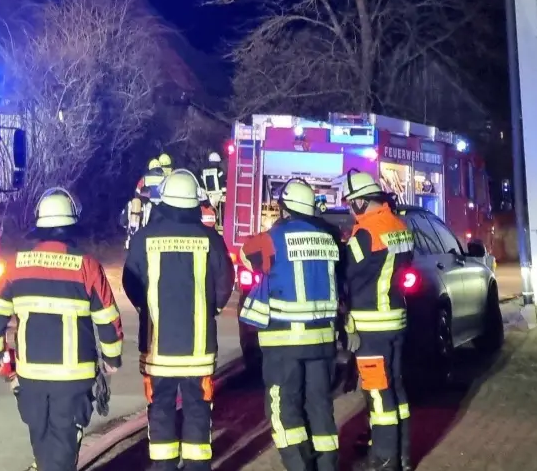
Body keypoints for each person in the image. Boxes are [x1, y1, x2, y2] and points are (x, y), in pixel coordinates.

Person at [0, 188, 123, 471]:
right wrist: (112, 358)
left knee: (42, 443)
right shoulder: (87, 266)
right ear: (71, 226)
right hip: (72, 379)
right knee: (62, 450)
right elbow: (107, 318)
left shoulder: (15, 265)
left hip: (31, 376)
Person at [123, 170, 234, 471]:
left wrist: (146, 308)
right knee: (198, 410)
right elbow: (225, 284)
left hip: (157, 350)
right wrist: (211, 310)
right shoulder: (210, 239)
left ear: (163, 202)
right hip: (198, 352)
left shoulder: (144, 238)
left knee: (160, 409)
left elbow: (131, 283)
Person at [238, 179, 345, 471]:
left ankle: (299, 466)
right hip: (323, 341)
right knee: (320, 407)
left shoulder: (274, 238)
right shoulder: (328, 238)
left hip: (284, 342)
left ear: (285, 208)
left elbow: (246, 256)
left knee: (284, 410)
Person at [342, 171, 416, 471]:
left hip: (371, 326)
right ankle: (403, 457)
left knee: (377, 392)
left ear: (360, 202)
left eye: (350, 204)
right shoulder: (400, 226)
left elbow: (346, 272)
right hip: (396, 321)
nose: (350, 210)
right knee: (396, 389)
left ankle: (384, 460)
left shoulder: (365, 234)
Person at [199, 151, 226, 224]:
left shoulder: (203, 172)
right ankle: (221, 222)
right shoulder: (219, 171)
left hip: (208, 197)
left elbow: (201, 184)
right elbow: (223, 182)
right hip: (219, 196)